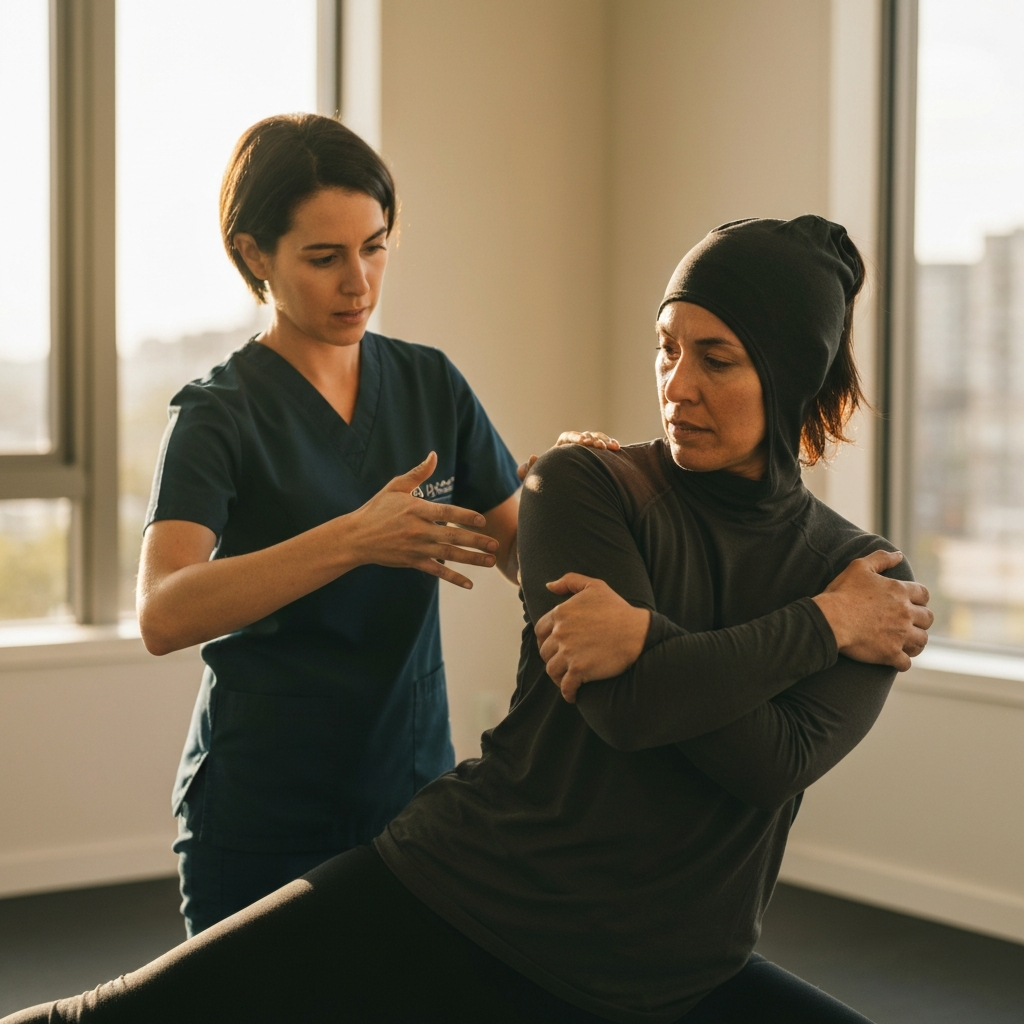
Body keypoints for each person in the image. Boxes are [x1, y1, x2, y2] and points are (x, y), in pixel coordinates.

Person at [4, 216, 933, 1024]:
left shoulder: (867, 581)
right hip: (459, 895)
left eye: (715, 358)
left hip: (670, 970)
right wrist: (812, 630)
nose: (676, 384)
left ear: (794, 371)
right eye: (664, 347)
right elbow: (627, 710)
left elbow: (771, 764)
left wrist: (658, 636)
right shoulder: (587, 482)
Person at [134, 112, 579, 937]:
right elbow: (164, 612)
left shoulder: (430, 384)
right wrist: (354, 539)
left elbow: (517, 547)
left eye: (374, 247)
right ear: (254, 256)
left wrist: (585, 497)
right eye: (324, 257)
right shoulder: (216, 416)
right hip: (261, 808)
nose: (359, 284)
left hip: (408, 796)